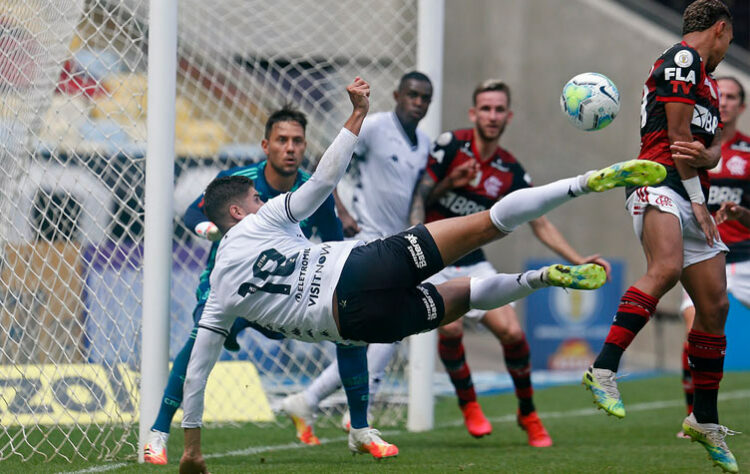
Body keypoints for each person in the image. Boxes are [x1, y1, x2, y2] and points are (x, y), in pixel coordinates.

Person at [178, 76, 666, 474]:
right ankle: (584, 185)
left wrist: (192, 449)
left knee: (456, 299)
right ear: (240, 212)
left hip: (358, 323)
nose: (263, 201)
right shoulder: (265, 218)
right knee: (486, 224)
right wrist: (356, 113)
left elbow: (197, 373)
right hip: (363, 262)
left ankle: (535, 281)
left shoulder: (220, 291)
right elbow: (325, 178)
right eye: (256, 200)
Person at [142, 105, 374, 464]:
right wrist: (208, 229)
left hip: (282, 297)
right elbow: (193, 212)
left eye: (297, 141)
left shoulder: (311, 191)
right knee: (194, 347)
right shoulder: (240, 181)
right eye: (282, 140)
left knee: (350, 322)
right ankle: (157, 434)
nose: (290, 148)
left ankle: (360, 428)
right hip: (232, 294)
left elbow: (332, 245)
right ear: (266, 145)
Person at [407, 79, 611, 447]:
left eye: (499, 109)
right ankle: (469, 403)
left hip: (473, 262)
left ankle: (527, 412)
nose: (492, 115)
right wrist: (448, 185)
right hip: (435, 259)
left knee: (513, 334)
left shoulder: (510, 170)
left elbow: (540, 222)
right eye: (485, 108)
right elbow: (421, 194)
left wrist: (578, 260)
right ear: (473, 113)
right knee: (450, 330)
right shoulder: (450, 145)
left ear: (508, 117)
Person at [581, 1, 738, 471]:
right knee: (666, 267)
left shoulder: (706, 79)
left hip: (690, 189)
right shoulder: (683, 60)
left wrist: (707, 166)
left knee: (715, 308)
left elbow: (699, 148)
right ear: (721, 30)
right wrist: (696, 194)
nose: (727, 50)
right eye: (728, 41)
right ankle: (603, 367)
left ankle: (703, 420)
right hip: (658, 182)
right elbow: (676, 137)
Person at [281, 71, 433, 444]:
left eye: (424, 97)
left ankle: (314, 401)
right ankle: (346, 413)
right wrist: (343, 213)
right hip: (366, 242)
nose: (418, 102)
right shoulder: (377, 127)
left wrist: (417, 228)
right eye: (411, 94)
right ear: (397, 95)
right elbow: (325, 163)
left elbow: (414, 198)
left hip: (397, 246)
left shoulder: (425, 144)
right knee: (382, 329)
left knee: (381, 333)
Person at [677, 76, 749, 438]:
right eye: (721, 95)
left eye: (733, 97)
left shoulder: (748, 154)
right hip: (703, 255)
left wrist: (740, 215)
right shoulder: (690, 148)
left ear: (742, 106)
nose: (725, 102)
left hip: (745, 257)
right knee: (695, 332)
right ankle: (697, 416)